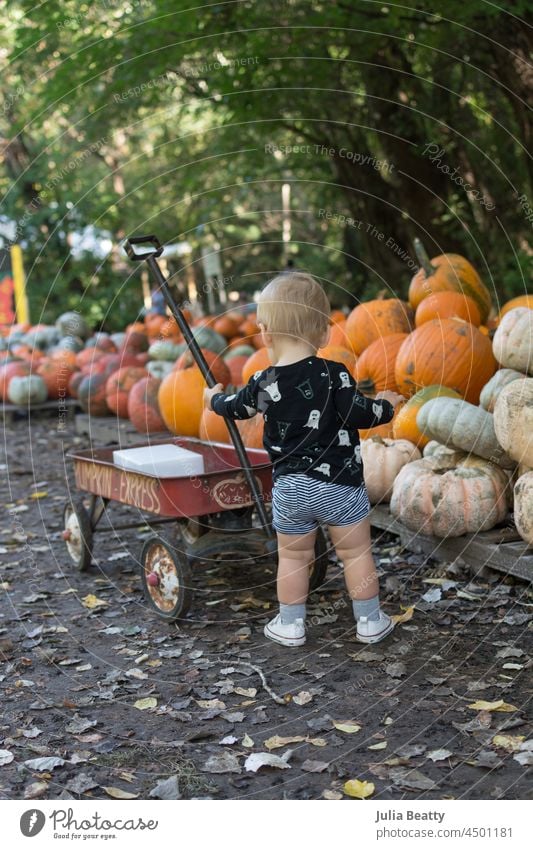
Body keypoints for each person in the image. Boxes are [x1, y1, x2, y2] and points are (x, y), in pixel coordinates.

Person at [203, 272, 404, 648]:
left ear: (264, 333)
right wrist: (387, 408)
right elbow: (362, 414)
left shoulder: (264, 382)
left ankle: (291, 625)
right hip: (340, 487)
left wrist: (211, 399)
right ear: (325, 334)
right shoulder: (335, 376)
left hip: (291, 489)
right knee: (355, 553)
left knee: (293, 558)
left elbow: (237, 408)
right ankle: (370, 621)